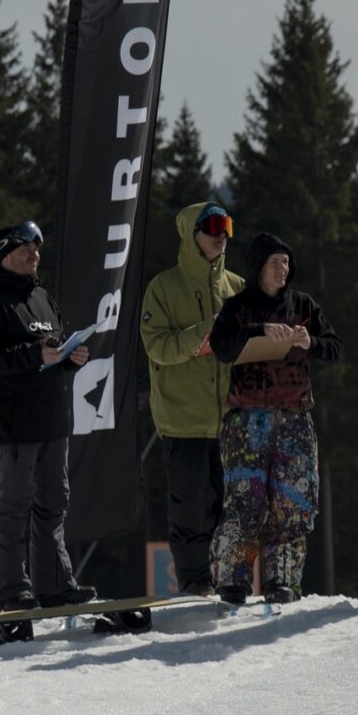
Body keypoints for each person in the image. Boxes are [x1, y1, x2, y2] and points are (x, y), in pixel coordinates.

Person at [0, 220, 93, 633]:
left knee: (54, 504)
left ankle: (54, 585)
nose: (34, 254)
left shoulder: (41, 297)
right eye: (25, 248)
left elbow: (50, 351)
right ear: (4, 253)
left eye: (37, 247)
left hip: (53, 418)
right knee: (14, 507)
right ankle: (10, 591)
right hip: (13, 423)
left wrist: (71, 359)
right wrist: (33, 355)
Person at [204, 232, 342, 605]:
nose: (282, 269)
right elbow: (220, 347)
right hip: (247, 421)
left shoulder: (304, 305)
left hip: (294, 418)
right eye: (274, 262)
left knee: (292, 503)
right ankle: (232, 580)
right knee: (245, 501)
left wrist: (310, 342)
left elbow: (335, 348)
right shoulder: (237, 307)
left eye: (286, 262)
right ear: (257, 267)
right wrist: (259, 330)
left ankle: (282, 580)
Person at [139, 201, 242, 599]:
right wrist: (203, 333)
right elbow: (156, 347)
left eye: (227, 225)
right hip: (183, 420)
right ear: (191, 234)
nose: (222, 235)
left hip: (231, 420)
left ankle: (229, 579)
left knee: (230, 506)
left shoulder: (237, 287)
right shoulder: (163, 288)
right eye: (213, 226)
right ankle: (195, 583)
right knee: (190, 508)